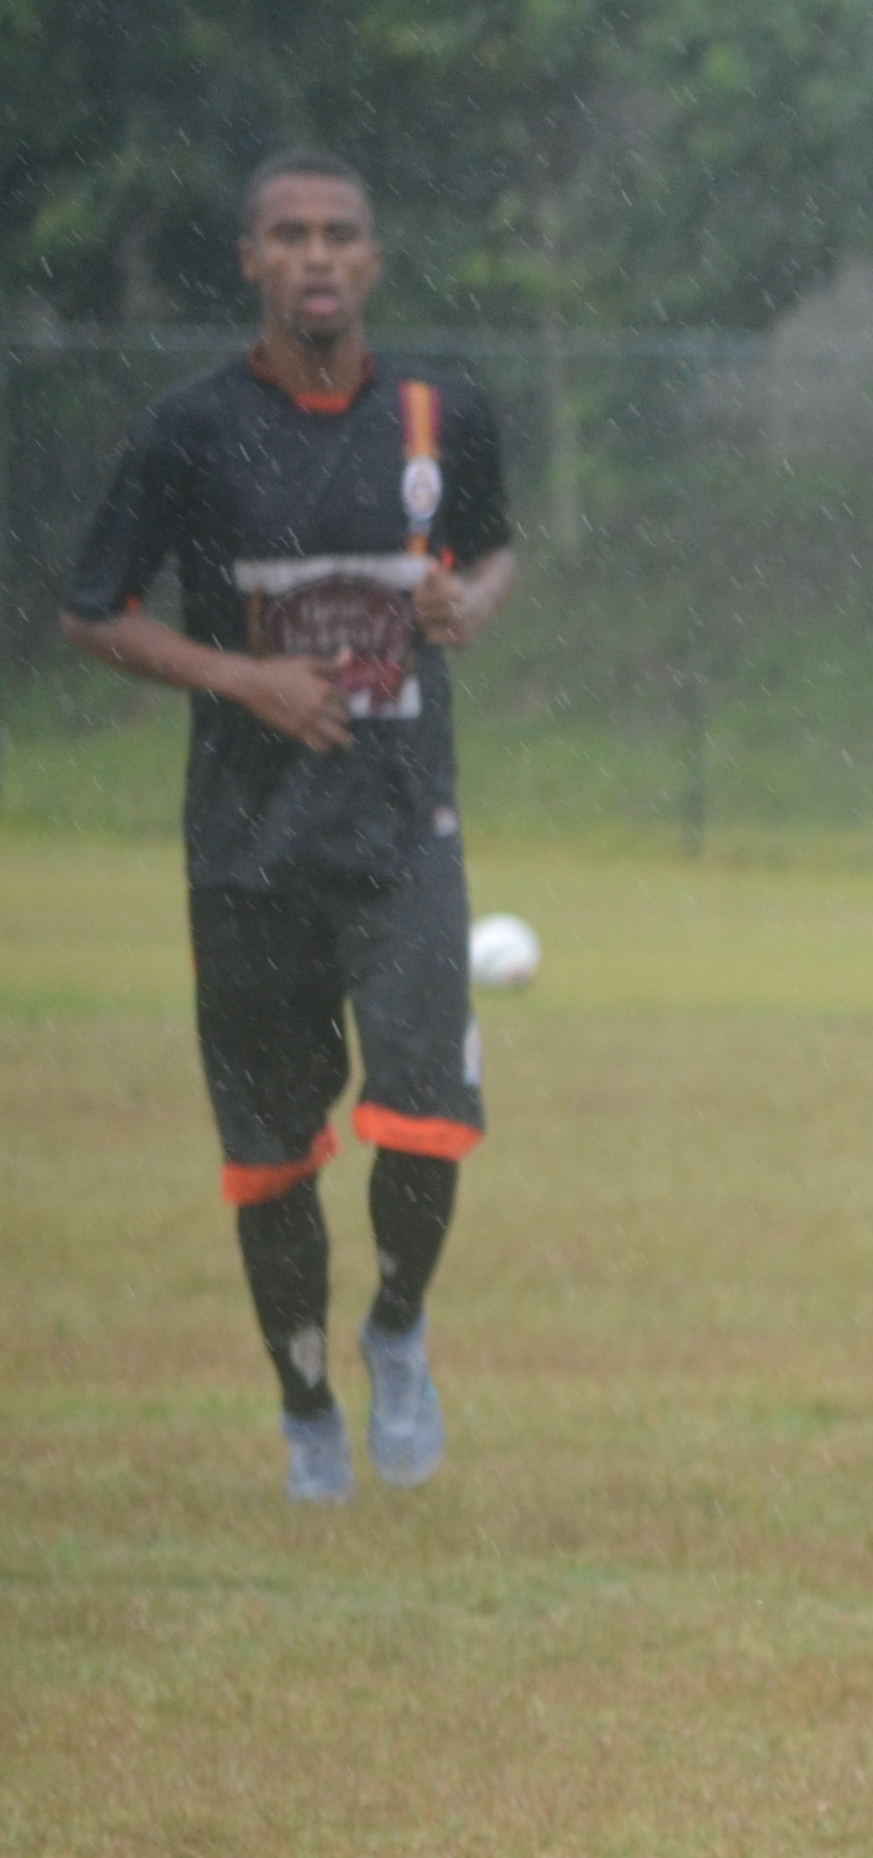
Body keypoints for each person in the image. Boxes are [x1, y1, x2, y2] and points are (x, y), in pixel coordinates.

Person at [59, 151, 513, 1505]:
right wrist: (243, 676)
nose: (318, 258)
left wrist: (475, 601)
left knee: (426, 1119)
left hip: (404, 833)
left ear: (375, 260)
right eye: (290, 237)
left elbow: (492, 549)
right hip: (249, 851)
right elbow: (94, 611)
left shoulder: (443, 412)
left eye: (342, 236)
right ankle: (308, 1402)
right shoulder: (192, 430)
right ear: (250, 260)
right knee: (269, 1161)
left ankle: (397, 1330)